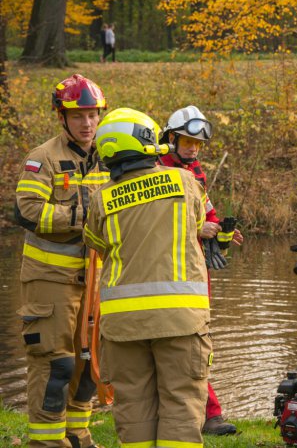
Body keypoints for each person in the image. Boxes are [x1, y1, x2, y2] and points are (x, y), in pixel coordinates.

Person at [83, 108, 212, 446]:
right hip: (180, 319)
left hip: (123, 324)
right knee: (181, 403)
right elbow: (199, 225)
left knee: (133, 405)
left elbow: (95, 242)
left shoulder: (101, 199)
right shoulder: (185, 182)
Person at [14, 73, 109, 448]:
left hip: (95, 278)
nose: (87, 123)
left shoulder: (109, 155)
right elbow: (26, 210)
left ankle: (78, 436)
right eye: (78, 116)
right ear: (62, 117)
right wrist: (82, 216)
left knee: (87, 364)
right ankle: (46, 442)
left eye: (93, 115)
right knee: (56, 363)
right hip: (50, 278)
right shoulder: (43, 157)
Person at [159, 105, 243, 436]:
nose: (193, 148)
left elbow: (207, 211)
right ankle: (208, 414)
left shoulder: (196, 172)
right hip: (166, 272)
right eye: (187, 141)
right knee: (186, 342)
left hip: (193, 270)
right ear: (170, 138)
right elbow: (157, 224)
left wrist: (219, 229)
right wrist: (198, 229)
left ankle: (206, 413)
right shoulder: (155, 171)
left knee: (198, 340)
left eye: (197, 143)